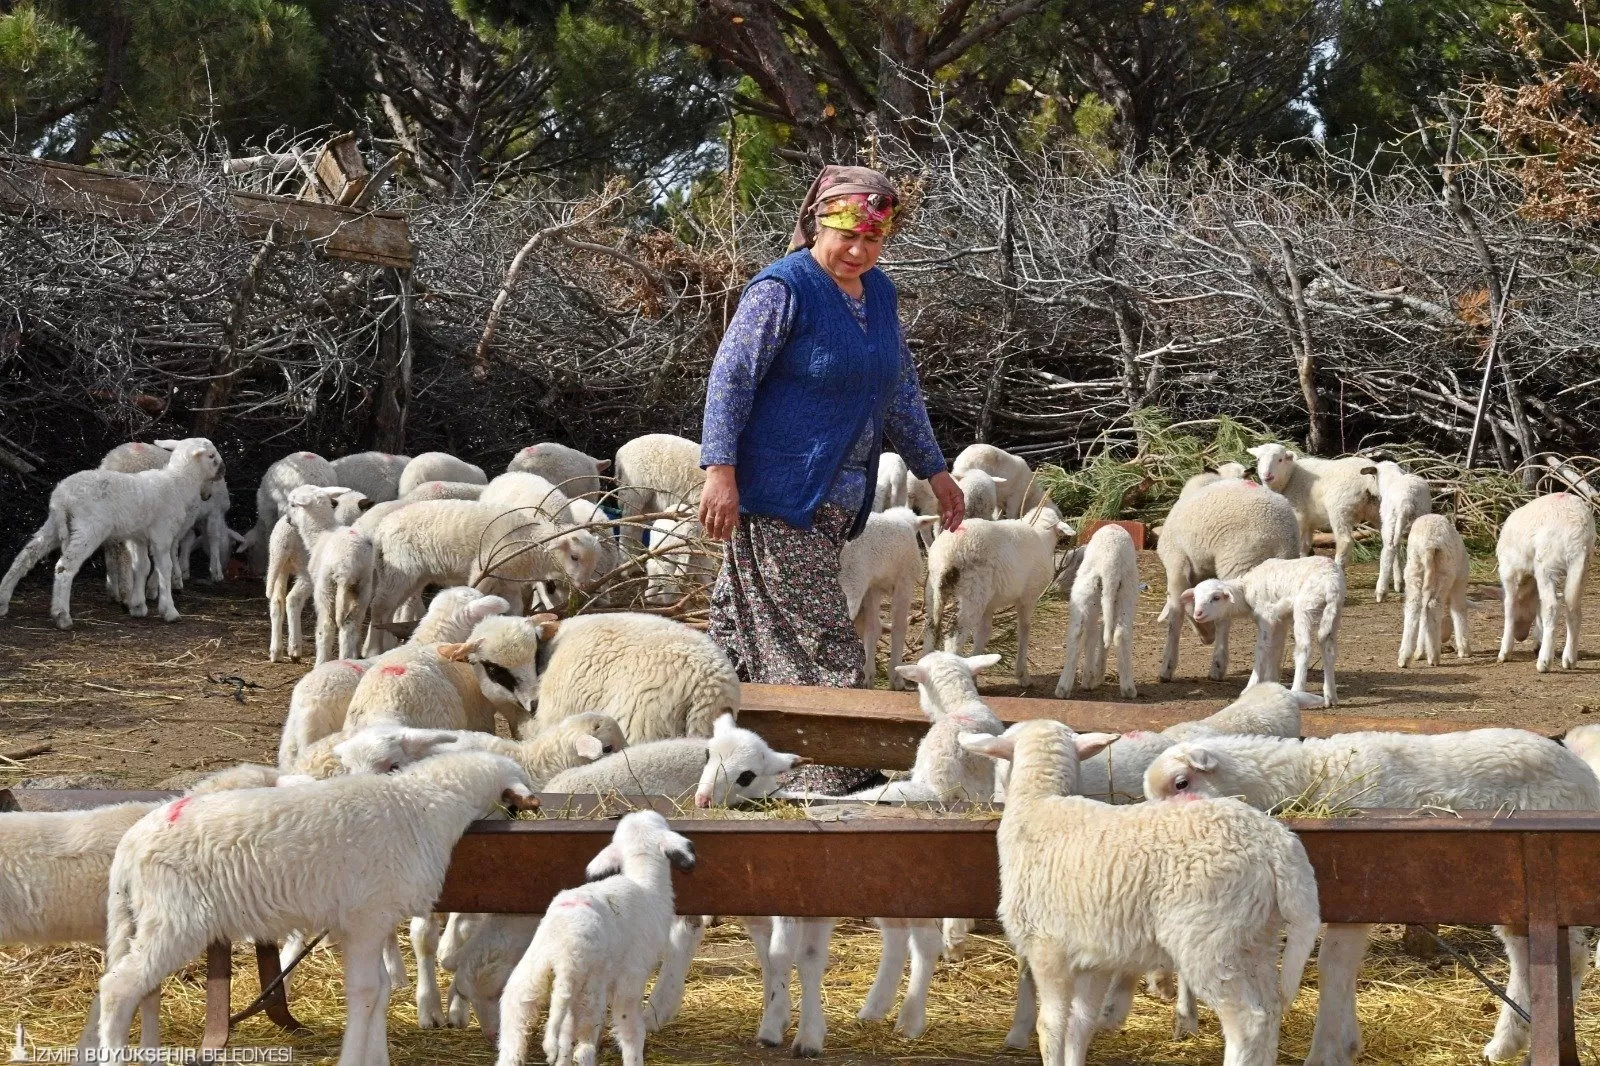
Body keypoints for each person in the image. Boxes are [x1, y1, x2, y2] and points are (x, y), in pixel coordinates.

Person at [698, 164, 965, 793]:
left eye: (873, 240)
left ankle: (731, 764)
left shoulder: (879, 295)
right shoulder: (783, 290)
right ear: (818, 222)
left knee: (745, 629)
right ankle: (831, 775)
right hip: (780, 495)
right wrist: (720, 471)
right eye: (846, 235)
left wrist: (936, 470)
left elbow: (898, 388)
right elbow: (730, 378)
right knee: (819, 639)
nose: (858, 251)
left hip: (835, 505)